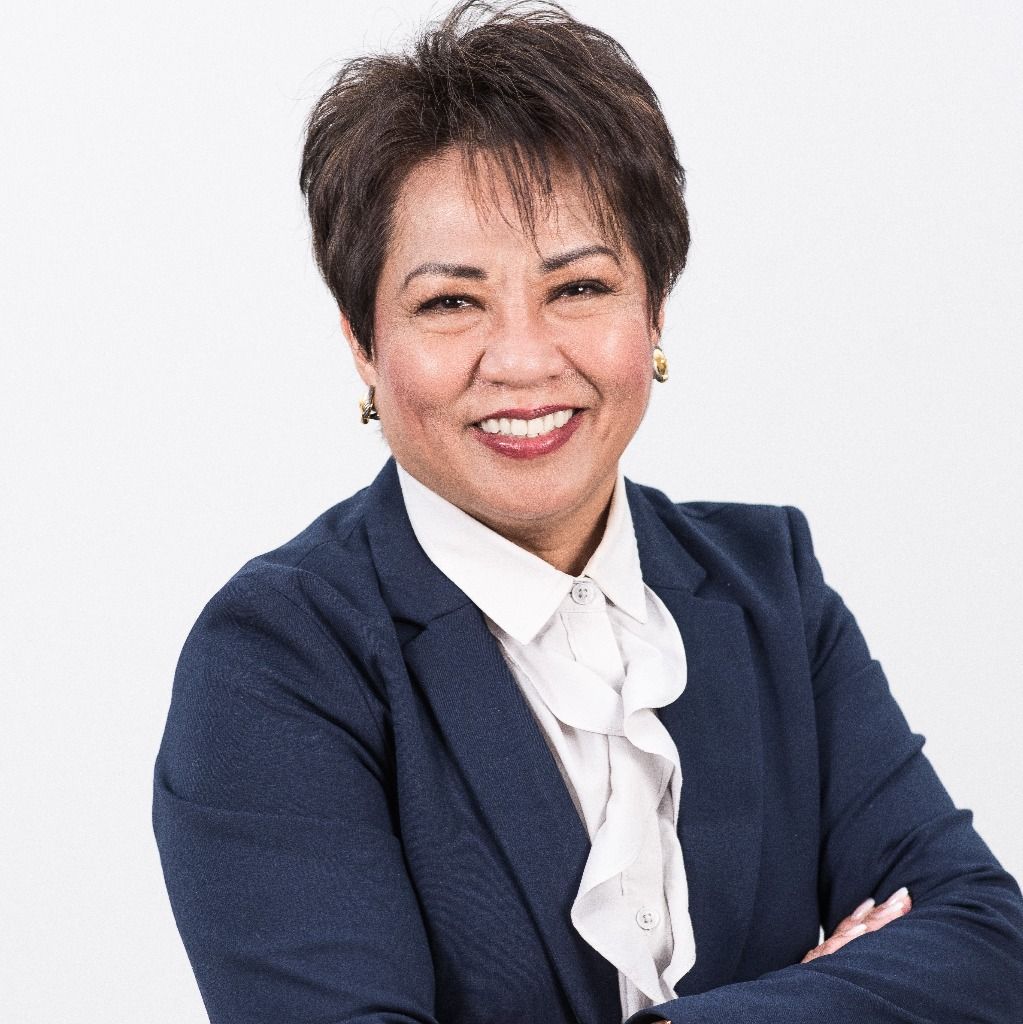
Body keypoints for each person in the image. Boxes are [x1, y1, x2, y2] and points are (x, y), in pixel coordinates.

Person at [151, 2, 1023, 1021]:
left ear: (654, 311)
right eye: (450, 302)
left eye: (578, 287)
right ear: (361, 342)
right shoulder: (279, 659)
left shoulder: (768, 588)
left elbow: (984, 943)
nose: (523, 360)